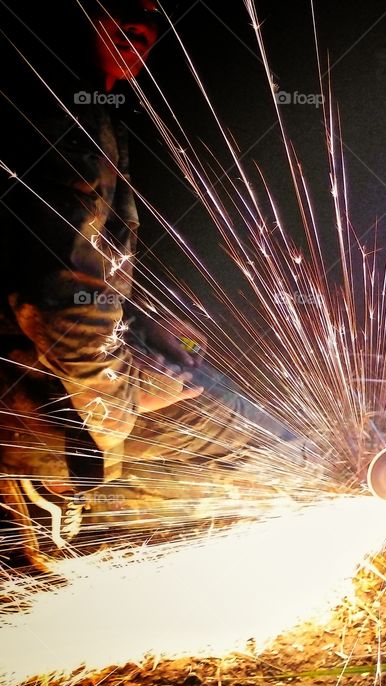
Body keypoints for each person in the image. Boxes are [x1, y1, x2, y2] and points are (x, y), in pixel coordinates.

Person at [0, 0, 303, 570]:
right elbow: (62, 307)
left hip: (76, 366)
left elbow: (87, 280)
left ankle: (52, 511)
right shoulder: (63, 114)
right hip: (44, 382)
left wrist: (149, 336)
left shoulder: (93, 113)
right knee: (228, 431)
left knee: (216, 395)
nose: (139, 31)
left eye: (150, 19)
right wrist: (120, 403)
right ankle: (43, 506)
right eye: (119, 11)